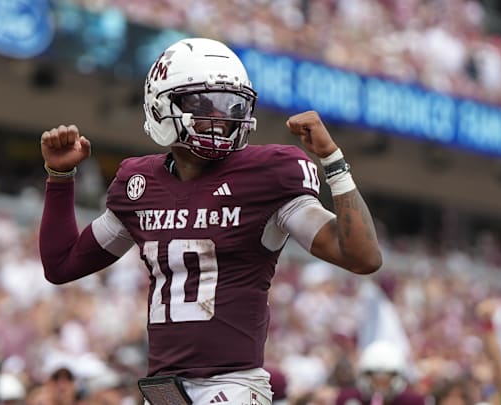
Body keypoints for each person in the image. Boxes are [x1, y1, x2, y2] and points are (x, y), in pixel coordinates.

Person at [39, 37, 382, 404]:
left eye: (231, 105)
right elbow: (62, 264)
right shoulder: (139, 184)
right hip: (165, 389)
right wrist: (60, 180)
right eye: (203, 104)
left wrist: (332, 161)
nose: (220, 118)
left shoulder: (268, 175)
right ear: (161, 105)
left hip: (233, 385)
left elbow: (362, 256)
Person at [336, 340, 426, 405]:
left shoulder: (413, 401)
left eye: (385, 381)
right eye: (376, 380)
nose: (380, 387)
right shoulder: (350, 399)